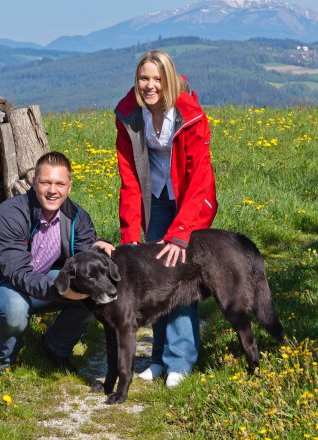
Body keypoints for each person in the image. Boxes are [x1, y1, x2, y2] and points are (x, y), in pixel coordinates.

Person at [114, 50, 218, 388]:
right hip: (155, 198)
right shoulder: (129, 114)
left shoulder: (190, 116)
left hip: (189, 200)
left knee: (180, 277)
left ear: (169, 80)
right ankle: (158, 359)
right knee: (152, 275)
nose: (149, 85)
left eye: (157, 79)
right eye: (144, 78)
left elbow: (200, 178)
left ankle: (180, 361)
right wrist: (130, 234)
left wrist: (182, 232)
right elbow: (129, 177)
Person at [0, 152, 114, 372]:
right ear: (34, 182)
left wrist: (99, 247)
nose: (52, 190)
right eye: (46, 182)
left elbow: (84, 257)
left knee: (94, 289)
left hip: (42, 280)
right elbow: (17, 272)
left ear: (69, 186)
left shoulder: (77, 216)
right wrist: (61, 290)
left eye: (59, 184)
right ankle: (1, 364)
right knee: (16, 307)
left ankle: (54, 347)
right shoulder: (9, 214)